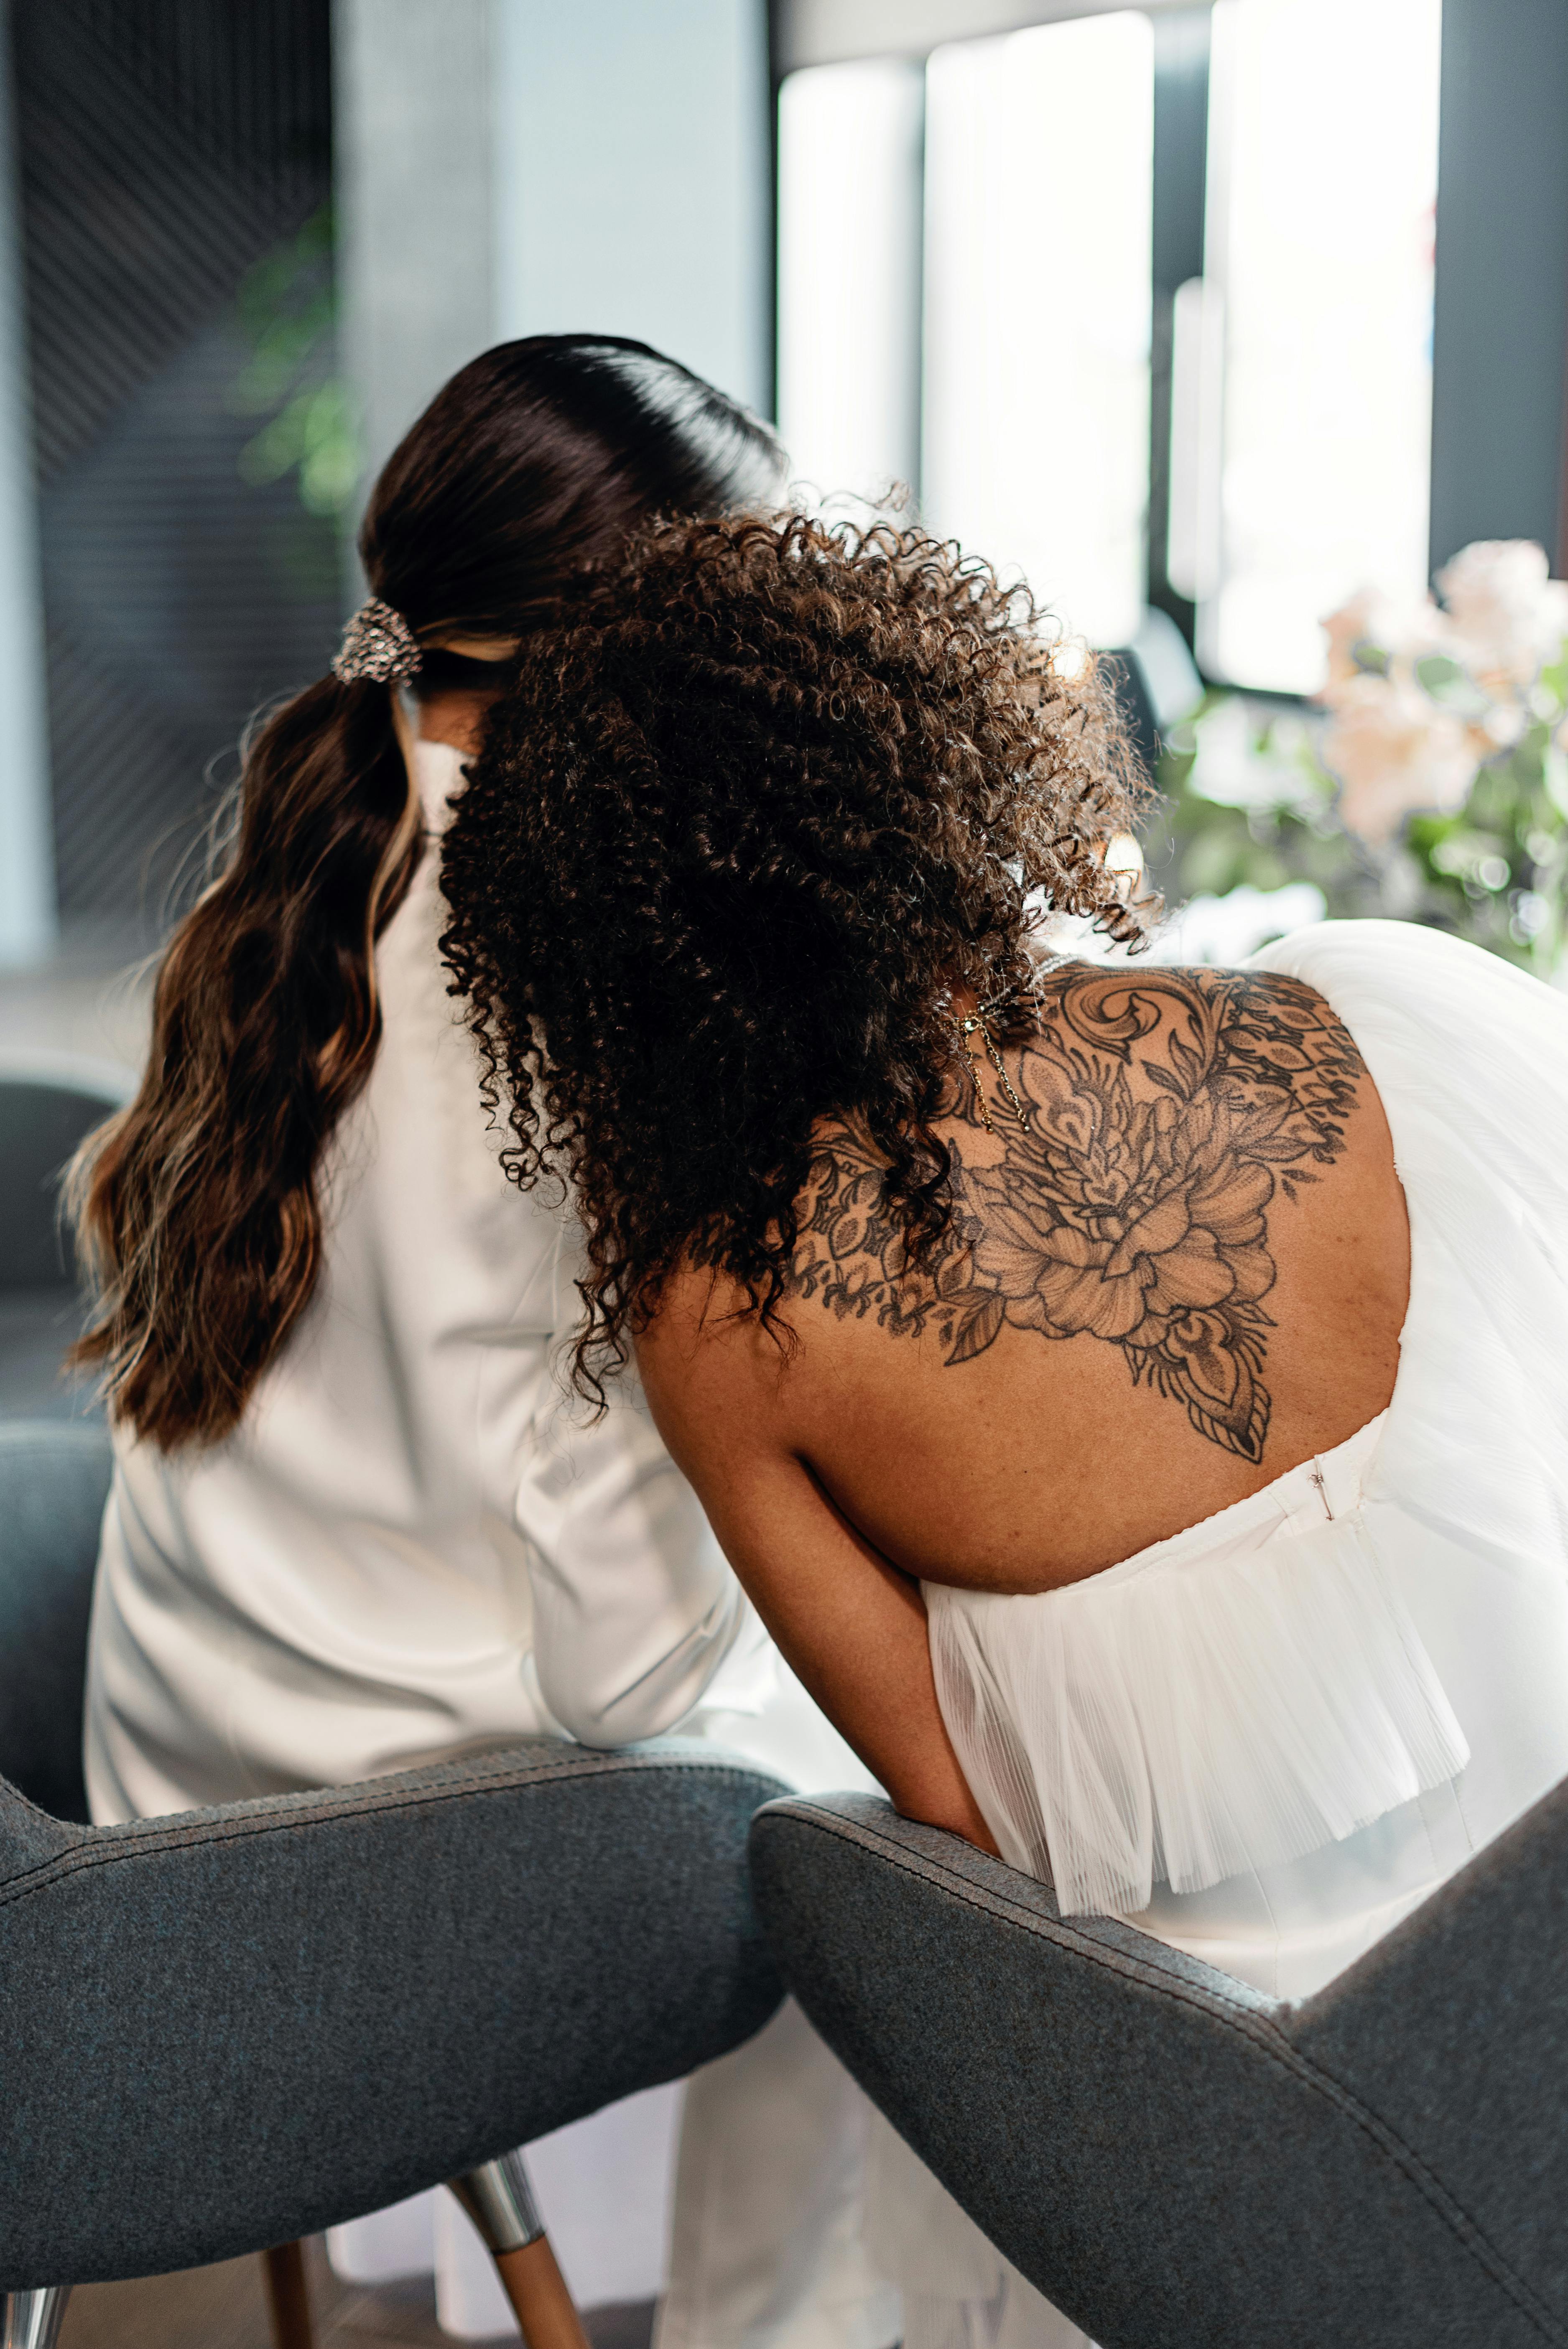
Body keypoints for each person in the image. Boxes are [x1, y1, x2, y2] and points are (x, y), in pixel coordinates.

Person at [440, 508, 1568, 2346]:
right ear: (941, 755)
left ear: (616, 951)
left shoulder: (724, 1326)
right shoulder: (1379, 1019)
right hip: (1526, 2062)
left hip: (1168, 2160)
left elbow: (954, 1827)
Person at [67, 341, 895, 2344]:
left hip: (174, 1768)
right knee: (919, 1844)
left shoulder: (314, 851)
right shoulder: (594, 954)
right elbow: (618, 1671)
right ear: (665, 642)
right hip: (383, 1844)